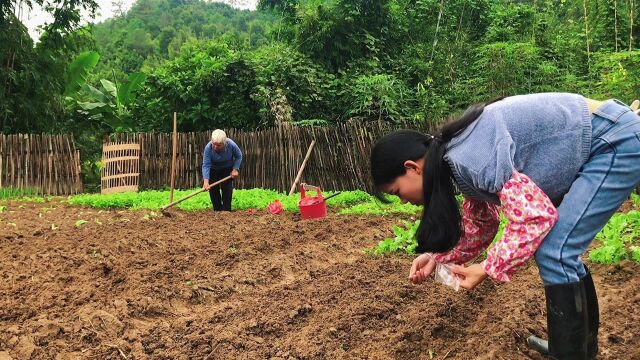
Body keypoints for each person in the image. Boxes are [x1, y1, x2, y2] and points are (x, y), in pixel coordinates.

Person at [370, 93, 640, 359]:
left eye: (396, 191)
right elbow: (483, 224)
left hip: (613, 141)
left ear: (412, 168)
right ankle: (576, 349)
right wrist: (436, 257)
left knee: (556, 251)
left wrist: (488, 268)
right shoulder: (455, 160)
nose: (403, 201)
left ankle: (569, 353)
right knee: (559, 251)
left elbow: (534, 217)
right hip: (605, 137)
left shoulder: (468, 156)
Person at [202, 129, 243, 211]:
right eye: (214, 144)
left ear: (224, 143)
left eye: (219, 145)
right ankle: (217, 210)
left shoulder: (231, 145)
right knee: (213, 189)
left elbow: (239, 156)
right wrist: (206, 182)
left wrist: (235, 169)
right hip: (213, 169)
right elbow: (206, 165)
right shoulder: (208, 148)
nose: (216, 147)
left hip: (227, 169)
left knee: (227, 188)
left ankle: (226, 211)